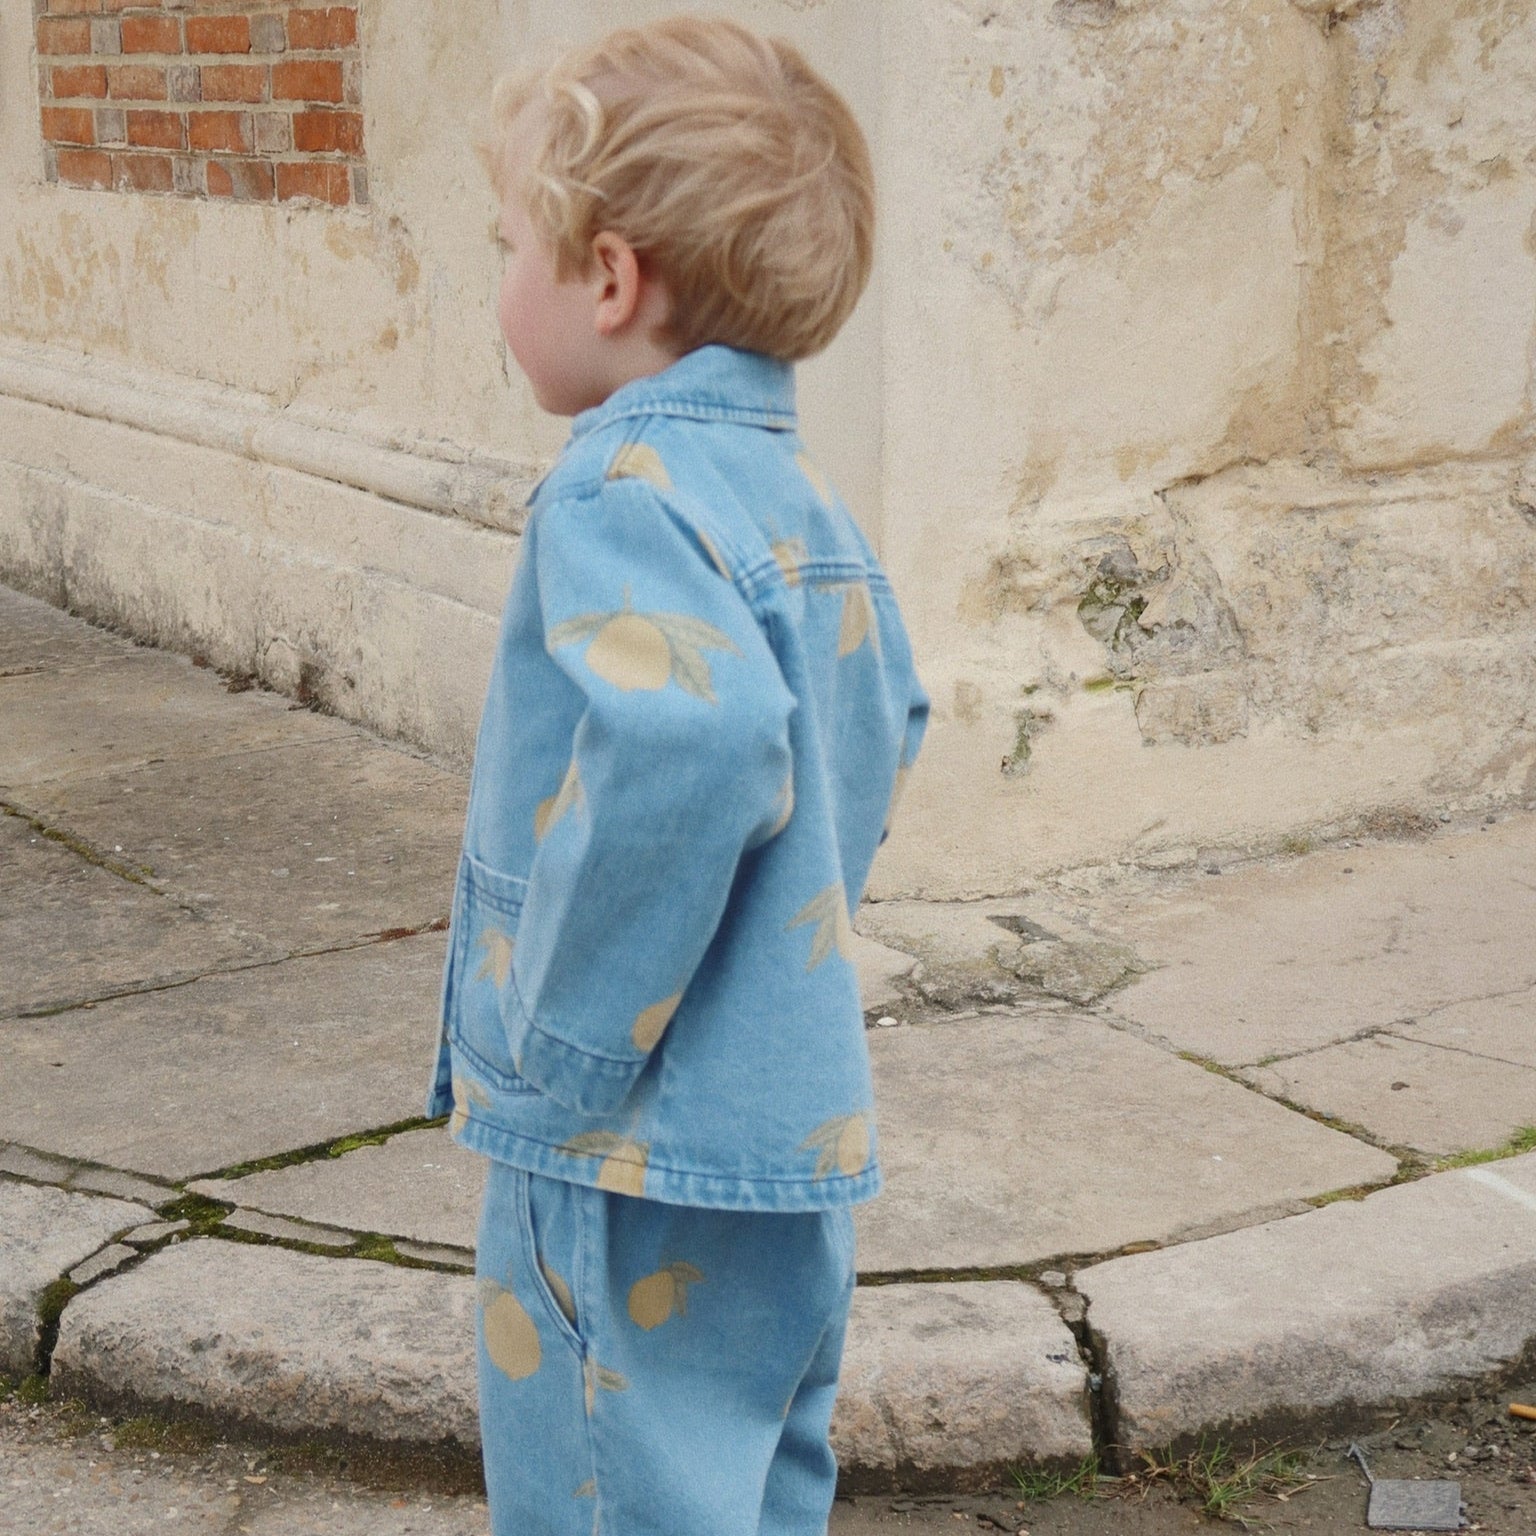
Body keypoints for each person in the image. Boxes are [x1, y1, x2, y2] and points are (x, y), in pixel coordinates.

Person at [425, 16, 928, 1535]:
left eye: (507, 247)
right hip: (788, 1138)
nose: (499, 286)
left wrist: (566, 1040)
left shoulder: (619, 488)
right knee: (750, 1491)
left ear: (610, 278)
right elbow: (883, 718)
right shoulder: (797, 493)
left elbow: (691, 743)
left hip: (627, 1153)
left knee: (604, 1495)